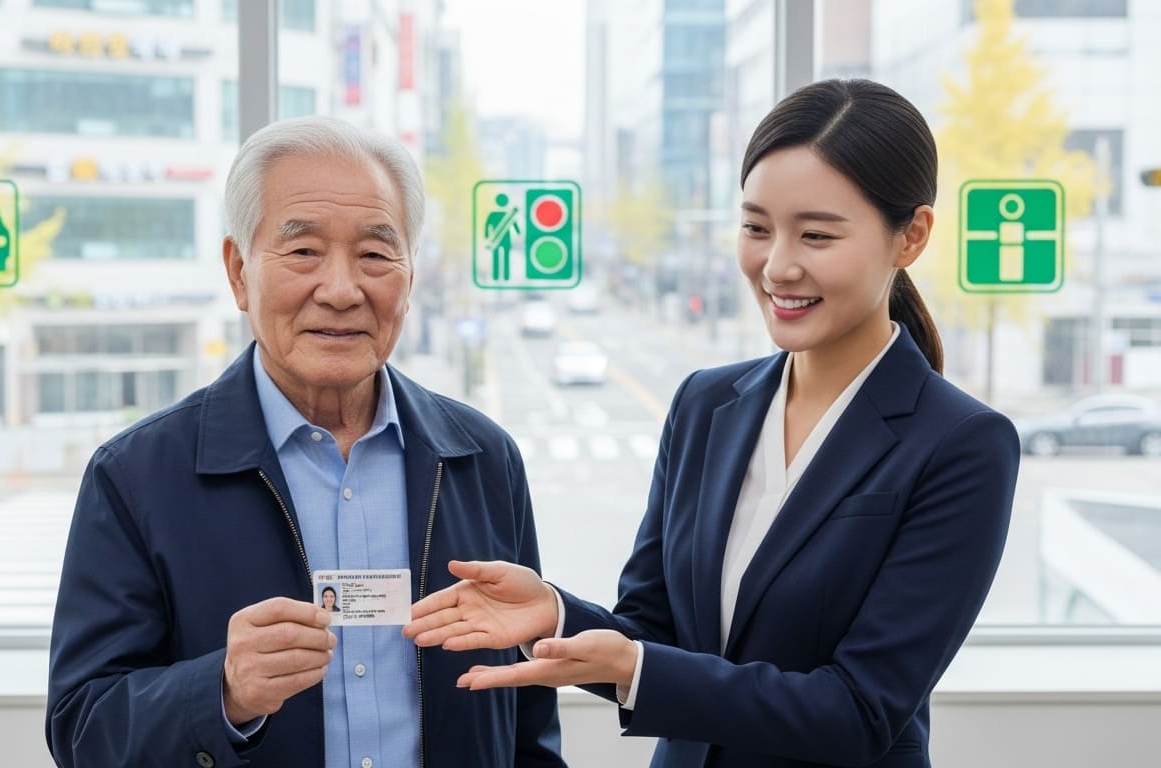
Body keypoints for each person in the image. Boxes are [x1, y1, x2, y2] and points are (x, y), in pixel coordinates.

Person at [404, 79, 1020, 768]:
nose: (777, 265)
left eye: (816, 235)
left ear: (912, 236)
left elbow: (858, 710)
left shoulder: (962, 445)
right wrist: (554, 613)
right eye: (756, 228)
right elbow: (650, 633)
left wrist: (638, 668)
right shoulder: (705, 404)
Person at [47, 116, 563, 768]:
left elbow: (529, 725)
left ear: (411, 275)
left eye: (375, 254)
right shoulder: (137, 476)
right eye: (302, 252)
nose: (342, 290)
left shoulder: (481, 458)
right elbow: (81, 730)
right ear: (239, 272)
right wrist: (223, 692)